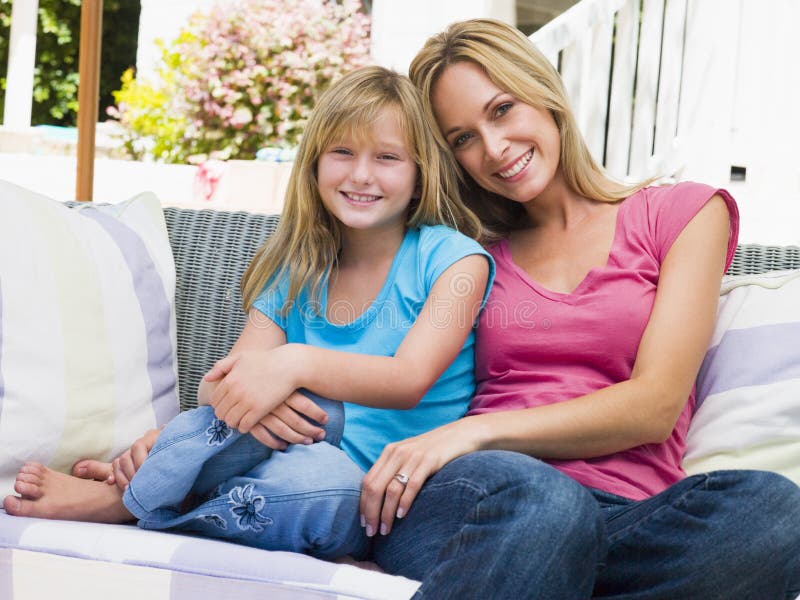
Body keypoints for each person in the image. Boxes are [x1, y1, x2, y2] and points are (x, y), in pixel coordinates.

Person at [350, 19, 800, 599]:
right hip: (478, 501)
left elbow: (654, 406)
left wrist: (474, 433)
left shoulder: (682, 214)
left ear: (545, 94)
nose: (492, 148)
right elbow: (365, 335)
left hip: (627, 520)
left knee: (775, 511)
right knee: (547, 505)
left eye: (503, 109)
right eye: (461, 138)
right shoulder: (464, 251)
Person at [2, 65, 494, 561]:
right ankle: (157, 478)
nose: (361, 174)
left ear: (418, 177)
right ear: (315, 165)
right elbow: (214, 385)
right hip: (275, 451)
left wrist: (292, 366)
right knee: (220, 418)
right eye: (342, 152)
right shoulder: (299, 267)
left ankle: (135, 501)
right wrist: (261, 406)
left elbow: (408, 379)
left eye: (387, 157)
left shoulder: (454, 260)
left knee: (320, 486)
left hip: (370, 494)